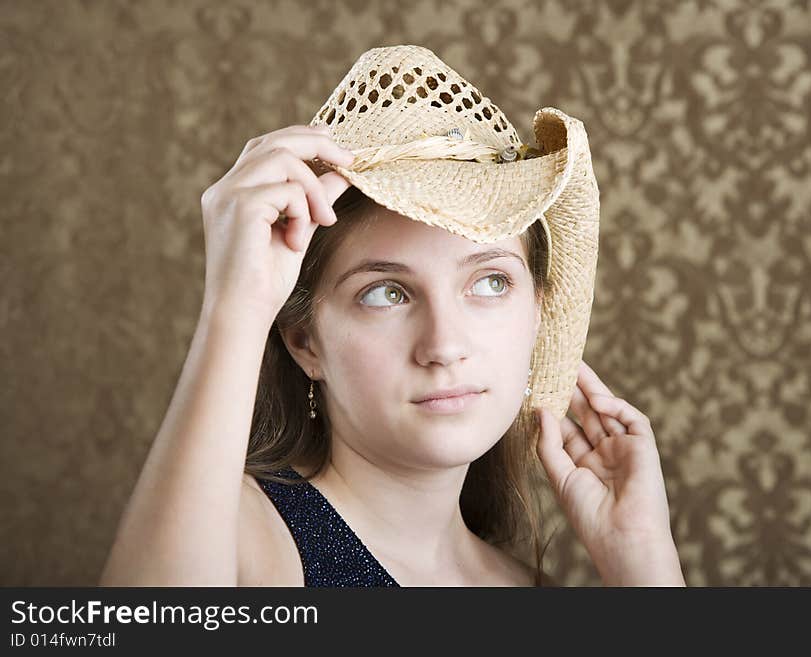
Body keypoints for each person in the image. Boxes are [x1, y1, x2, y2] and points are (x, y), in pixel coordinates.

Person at [99, 45, 685, 587]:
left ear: (537, 311)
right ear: (305, 340)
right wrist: (235, 306)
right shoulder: (247, 541)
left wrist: (646, 568)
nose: (444, 345)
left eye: (490, 282)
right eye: (386, 293)